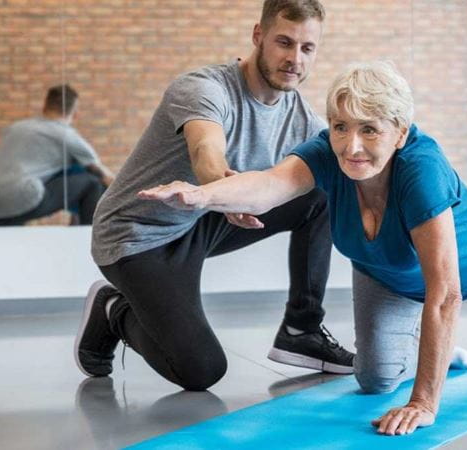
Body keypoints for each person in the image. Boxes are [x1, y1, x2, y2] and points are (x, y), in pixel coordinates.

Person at [138, 61, 467, 436]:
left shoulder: (422, 171)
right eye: (340, 127)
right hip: (385, 270)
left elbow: (445, 294)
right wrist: (204, 195)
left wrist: (425, 402)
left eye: (370, 130)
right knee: (374, 381)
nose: (351, 146)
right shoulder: (326, 153)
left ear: (400, 133)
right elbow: (270, 186)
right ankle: (442, 353)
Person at [76, 0, 354, 392]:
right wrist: (216, 193)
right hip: (136, 237)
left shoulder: (301, 118)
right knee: (201, 371)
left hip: (200, 222)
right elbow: (207, 151)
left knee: (323, 190)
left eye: (307, 48)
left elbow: (348, 165)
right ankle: (112, 309)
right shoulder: (203, 88)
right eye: (284, 42)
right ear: (258, 36)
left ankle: (301, 329)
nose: (295, 59)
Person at [0, 84, 114, 226]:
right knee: (92, 183)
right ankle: (87, 240)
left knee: (72, 174)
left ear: (45, 106)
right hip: (19, 201)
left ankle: (75, 229)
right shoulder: (64, 133)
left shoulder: (16, 128)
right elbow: (102, 174)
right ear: (75, 112)